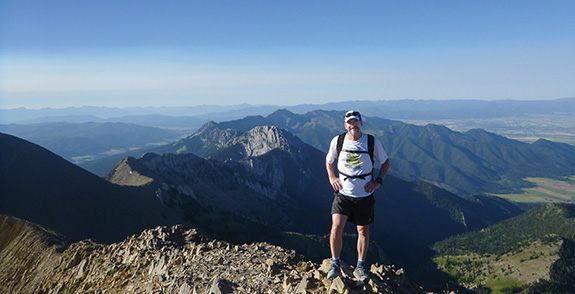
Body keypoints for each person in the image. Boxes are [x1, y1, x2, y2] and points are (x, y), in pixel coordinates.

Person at [325, 110, 390, 281]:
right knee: (336, 228)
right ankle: (335, 263)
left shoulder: (371, 142)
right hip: (343, 194)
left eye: (356, 122)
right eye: (350, 123)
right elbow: (329, 160)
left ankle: (360, 266)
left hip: (364, 195)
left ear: (361, 123)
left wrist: (378, 182)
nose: (353, 125)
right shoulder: (338, 141)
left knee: (362, 231)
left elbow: (385, 162)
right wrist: (332, 177)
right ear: (345, 125)